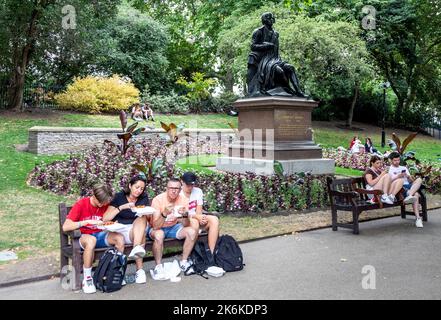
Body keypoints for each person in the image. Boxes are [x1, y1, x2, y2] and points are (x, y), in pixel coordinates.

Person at [62, 184, 125, 294]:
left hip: (100, 235)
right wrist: (86, 222)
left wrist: (111, 224)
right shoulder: (81, 204)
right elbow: (66, 226)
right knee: (91, 240)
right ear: (93, 195)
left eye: (104, 203)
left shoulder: (105, 203)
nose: (101, 205)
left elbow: (107, 219)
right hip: (82, 237)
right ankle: (87, 278)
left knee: (119, 238)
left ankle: (115, 271)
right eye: (99, 202)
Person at [147, 178, 199, 279]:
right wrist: (164, 213)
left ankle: (184, 262)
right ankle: (158, 266)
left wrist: (184, 215)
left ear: (180, 190)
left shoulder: (183, 200)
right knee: (159, 234)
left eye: (177, 188)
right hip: (158, 228)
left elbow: (186, 224)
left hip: (173, 227)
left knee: (192, 231)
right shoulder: (158, 200)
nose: (174, 191)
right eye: (171, 188)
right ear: (166, 189)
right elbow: (155, 226)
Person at [103, 175, 150, 284]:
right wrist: (122, 207)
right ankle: (138, 270)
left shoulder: (143, 198)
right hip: (118, 230)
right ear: (130, 185)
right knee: (141, 234)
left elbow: (147, 218)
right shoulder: (119, 197)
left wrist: (147, 213)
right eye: (137, 187)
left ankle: (136, 256)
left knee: (141, 219)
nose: (139, 191)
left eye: (141, 189)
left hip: (133, 231)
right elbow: (105, 218)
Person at [247, 12, 305, 97]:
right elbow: (253, 46)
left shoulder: (276, 34)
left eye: (272, 18)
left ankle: (298, 91)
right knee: (280, 71)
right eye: (269, 18)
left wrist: (279, 59)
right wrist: (265, 45)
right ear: (264, 20)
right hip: (264, 60)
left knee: (290, 68)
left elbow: (276, 50)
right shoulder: (258, 32)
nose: (271, 20)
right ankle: (287, 88)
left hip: (275, 58)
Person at [180, 172, 219, 253]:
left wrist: (201, 218)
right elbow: (181, 214)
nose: (190, 187)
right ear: (182, 182)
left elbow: (199, 211)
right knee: (194, 222)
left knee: (214, 219)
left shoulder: (198, 191)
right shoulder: (179, 194)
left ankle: (211, 253)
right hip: (183, 221)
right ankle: (193, 253)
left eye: (192, 185)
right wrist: (197, 217)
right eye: (188, 185)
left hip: (196, 218)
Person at [388, 152, 424, 228]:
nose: (397, 162)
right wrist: (398, 176)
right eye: (395, 160)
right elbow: (389, 182)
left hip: (409, 186)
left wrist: (408, 176)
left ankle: (409, 195)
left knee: (419, 180)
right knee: (416, 195)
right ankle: (418, 218)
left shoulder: (403, 168)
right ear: (391, 160)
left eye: (398, 160)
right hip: (400, 188)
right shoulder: (390, 169)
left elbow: (411, 181)